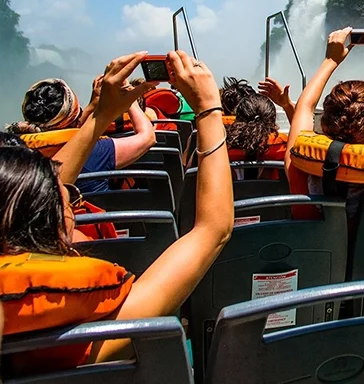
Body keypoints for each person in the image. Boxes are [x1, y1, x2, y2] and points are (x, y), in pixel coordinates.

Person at [0, 51, 233, 374]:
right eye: (68, 200)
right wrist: (208, 109)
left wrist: (100, 115)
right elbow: (213, 228)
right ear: (42, 226)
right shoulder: (84, 336)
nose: (68, 196)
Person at [285, 26, 364, 221]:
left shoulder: (300, 167)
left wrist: (330, 60)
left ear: (325, 124)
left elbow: (304, 108)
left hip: (315, 251)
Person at [8, 78, 156, 194]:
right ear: (73, 116)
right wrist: (130, 98)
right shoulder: (96, 150)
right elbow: (147, 137)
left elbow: (74, 127)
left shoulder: (13, 154)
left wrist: (93, 103)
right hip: (96, 227)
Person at [227, 93, 287, 162]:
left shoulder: (224, 150)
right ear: (272, 121)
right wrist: (287, 106)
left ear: (237, 120)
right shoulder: (283, 146)